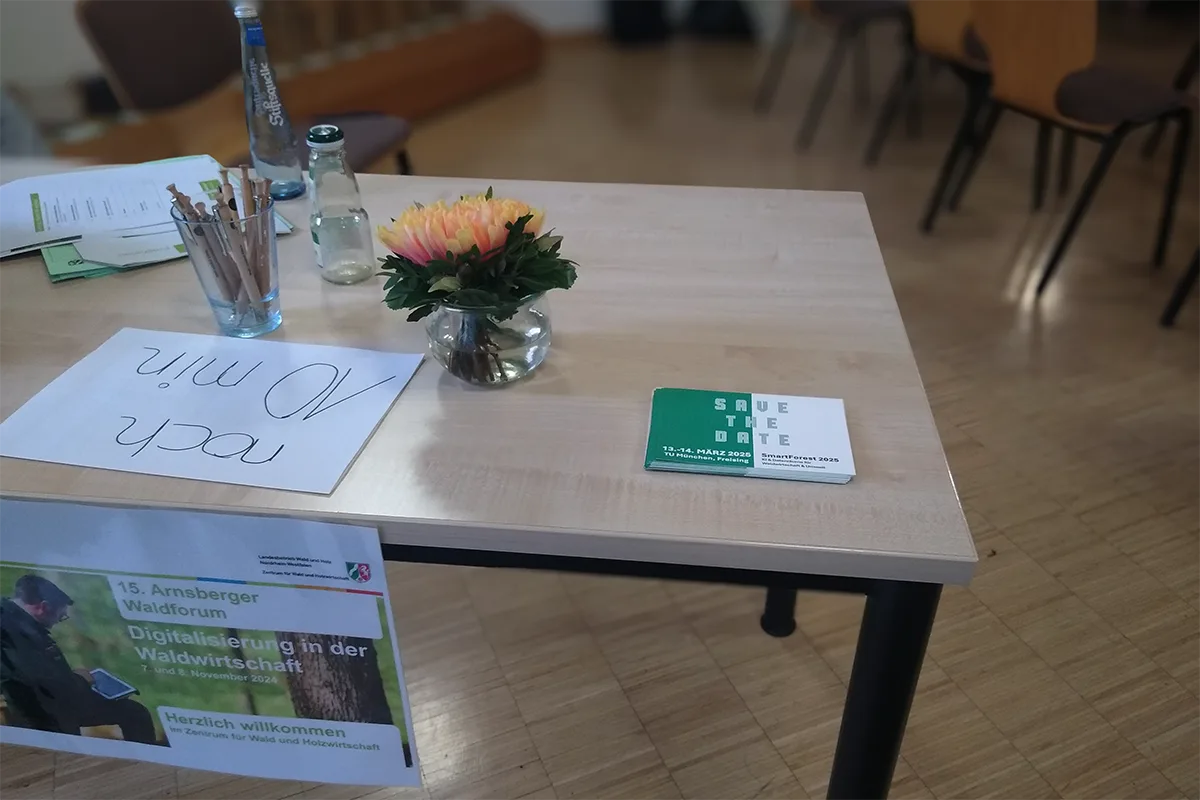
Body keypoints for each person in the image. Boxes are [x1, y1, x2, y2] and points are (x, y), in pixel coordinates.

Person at [0, 574, 156, 744]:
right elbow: (43, 684)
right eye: (61, 617)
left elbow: (35, 671)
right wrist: (81, 679)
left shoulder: (11, 620)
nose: (57, 622)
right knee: (136, 714)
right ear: (42, 607)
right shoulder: (19, 635)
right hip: (45, 715)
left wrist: (69, 676)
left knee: (132, 711)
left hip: (40, 703)